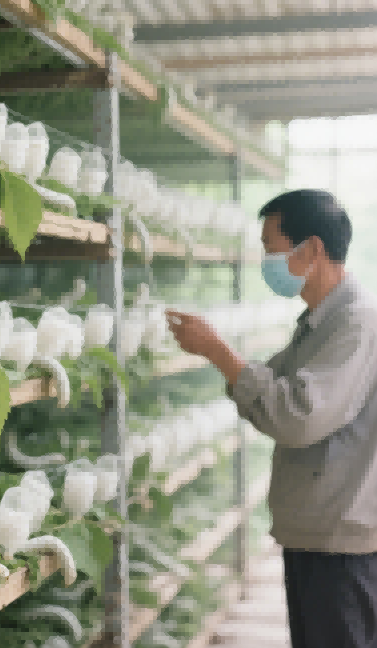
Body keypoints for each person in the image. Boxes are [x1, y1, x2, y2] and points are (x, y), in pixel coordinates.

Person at [166, 189, 377, 648]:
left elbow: (296, 416)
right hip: (319, 530)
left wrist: (218, 351)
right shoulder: (320, 322)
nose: (267, 261)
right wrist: (221, 356)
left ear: (313, 249)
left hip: (340, 541)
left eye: (271, 248)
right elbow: (268, 385)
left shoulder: (356, 324)